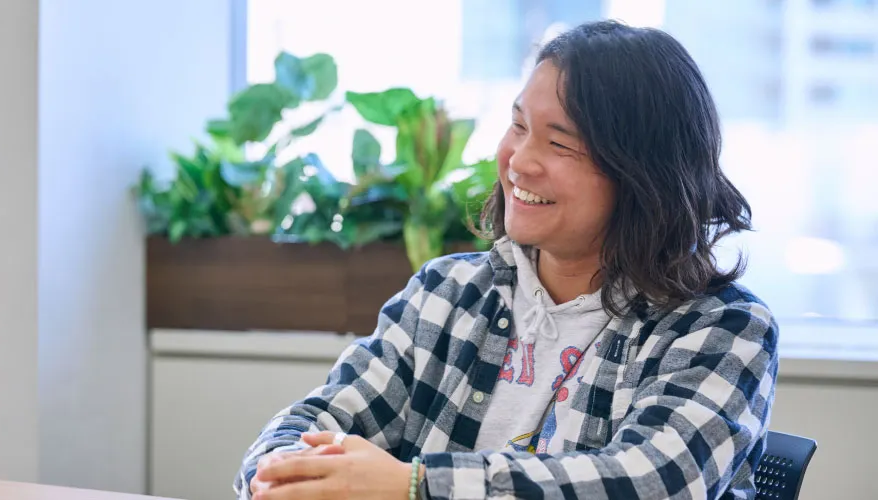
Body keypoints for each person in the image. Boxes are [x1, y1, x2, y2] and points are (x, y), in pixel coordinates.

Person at [234, 20, 777, 500]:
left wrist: (415, 486)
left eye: (559, 144)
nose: (519, 161)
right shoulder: (445, 292)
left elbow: (652, 483)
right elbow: (316, 419)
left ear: (642, 174)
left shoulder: (723, 329)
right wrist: (281, 473)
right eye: (518, 126)